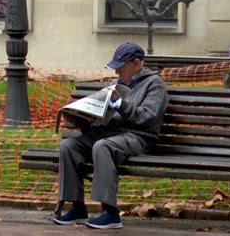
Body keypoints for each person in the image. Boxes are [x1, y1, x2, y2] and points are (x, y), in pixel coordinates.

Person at [53, 42, 169, 229]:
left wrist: (121, 105)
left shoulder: (155, 85)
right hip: (110, 133)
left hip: (139, 137)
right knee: (69, 146)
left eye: (121, 68)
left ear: (136, 64)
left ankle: (110, 213)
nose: (117, 73)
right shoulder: (115, 85)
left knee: (103, 146)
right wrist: (79, 119)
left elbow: (147, 118)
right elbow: (101, 119)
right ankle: (77, 207)